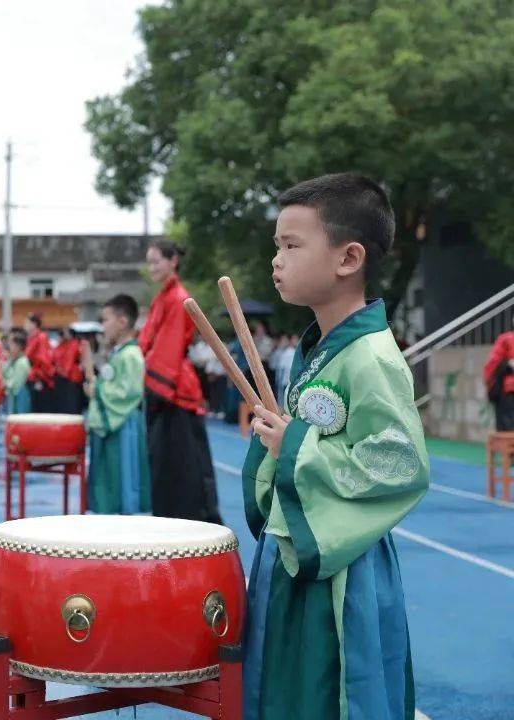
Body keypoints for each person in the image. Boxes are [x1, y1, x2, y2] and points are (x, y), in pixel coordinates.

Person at [243, 173, 429, 719]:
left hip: (341, 567)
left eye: (291, 245)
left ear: (349, 258)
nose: (276, 260)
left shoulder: (371, 355)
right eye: (277, 245)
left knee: (335, 691)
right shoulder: (321, 348)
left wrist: (296, 446)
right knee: (289, 687)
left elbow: (401, 462)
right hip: (296, 547)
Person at [139, 239, 221, 523]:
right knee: (168, 465)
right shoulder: (164, 296)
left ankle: (193, 524)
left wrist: (154, 387)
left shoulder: (176, 297)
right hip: (168, 382)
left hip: (172, 387)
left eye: (157, 261)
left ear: (173, 261)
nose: (152, 267)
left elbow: (168, 346)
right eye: (149, 262)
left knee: (183, 467)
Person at [83, 295, 150, 514]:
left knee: (121, 480)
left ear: (122, 321)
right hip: (114, 421)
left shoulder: (131, 355)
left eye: (105, 320)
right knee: (109, 479)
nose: (102, 326)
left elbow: (128, 393)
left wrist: (98, 390)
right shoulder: (119, 353)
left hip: (122, 425)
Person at [24, 314, 56, 412]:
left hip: (40, 378)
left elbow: (44, 359)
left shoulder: (41, 337)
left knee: (39, 409)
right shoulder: (32, 338)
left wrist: (39, 377)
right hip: (33, 376)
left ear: (34, 324)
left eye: (27, 322)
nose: (24, 325)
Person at [484, 330, 514, 430]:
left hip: (507, 390)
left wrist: (489, 384)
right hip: (508, 389)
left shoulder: (506, 339)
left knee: (506, 428)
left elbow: (492, 364)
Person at [54, 326, 85, 415]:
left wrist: (63, 371)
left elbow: (69, 362)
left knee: (71, 406)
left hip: (72, 378)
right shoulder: (63, 345)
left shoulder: (74, 344)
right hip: (63, 378)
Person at [1, 330, 32, 415]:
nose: (8, 347)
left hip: (20, 398)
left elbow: (16, 385)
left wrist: (5, 384)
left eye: (11, 344)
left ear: (18, 346)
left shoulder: (22, 362)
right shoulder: (12, 360)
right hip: (11, 398)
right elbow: (4, 374)